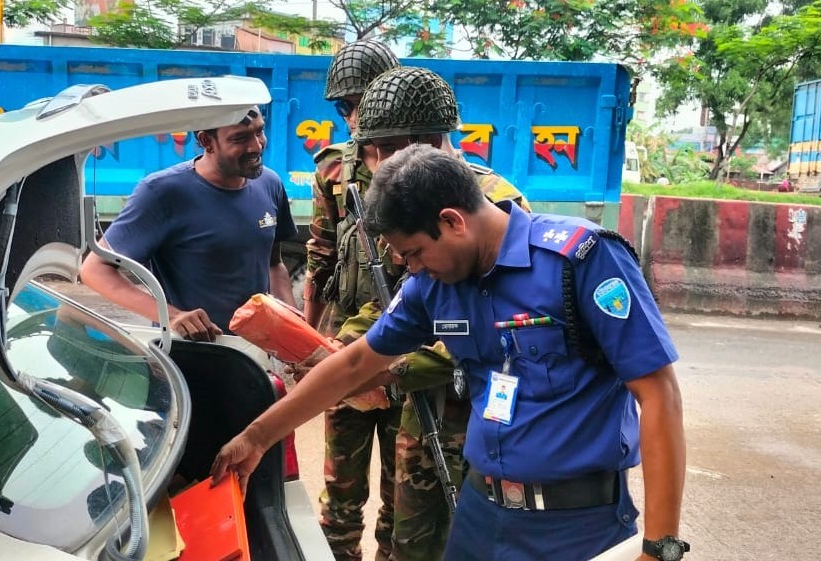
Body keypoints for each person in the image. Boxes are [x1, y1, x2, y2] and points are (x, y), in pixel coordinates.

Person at [213, 144, 688, 561]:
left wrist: (661, 545)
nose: (411, 267)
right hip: (480, 515)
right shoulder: (433, 287)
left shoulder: (578, 261)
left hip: (575, 527)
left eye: (415, 252)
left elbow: (658, 393)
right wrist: (258, 436)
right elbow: (356, 362)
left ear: (452, 221)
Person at [306, 63, 532, 561]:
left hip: (475, 415)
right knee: (407, 538)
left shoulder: (496, 205)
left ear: (430, 140)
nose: (377, 162)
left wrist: (397, 367)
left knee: (465, 539)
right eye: (371, 150)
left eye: (388, 149)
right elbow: (399, 300)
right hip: (416, 409)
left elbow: (511, 330)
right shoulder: (404, 199)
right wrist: (336, 349)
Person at [79, 106, 297, 341]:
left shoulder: (270, 183)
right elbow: (94, 269)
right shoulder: (163, 192)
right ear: (206, 141)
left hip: (256, 353)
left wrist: (293, 328)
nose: (256, 146)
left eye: (259, 131)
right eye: (240, 138)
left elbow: (274, 265)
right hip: (191, 353)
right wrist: (173, 317)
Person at [305, 39, 403, 561]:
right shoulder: (333, 171)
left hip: (404, 344)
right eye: (343, 106)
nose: (352, 116)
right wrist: (307, 337)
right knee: (341, 490)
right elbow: (319, 257)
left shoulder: (417, 168)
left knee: (404, 492)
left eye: (359, 101)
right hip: (345, 341)